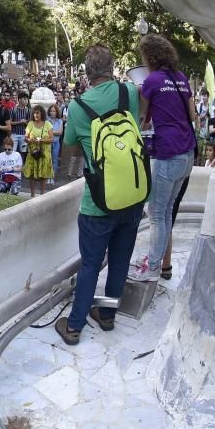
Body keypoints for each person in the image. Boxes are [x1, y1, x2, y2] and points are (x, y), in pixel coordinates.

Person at [56, 44, 143, 346]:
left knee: (91, 262)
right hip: (132, 193)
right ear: (112, 67)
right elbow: (137, 125)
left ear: (87, 73)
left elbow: (71, 148)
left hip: (98, 201)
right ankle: (106, 316)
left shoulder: (78, 106)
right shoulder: (128, 92)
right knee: (120, 259)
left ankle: (74, 326)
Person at [130, 34, 196, 282]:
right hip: (187, 154)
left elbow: (141, 113)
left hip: (168, 153)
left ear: (150, 57)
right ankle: (155, 261)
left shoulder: (152, 80)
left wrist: (140, 91)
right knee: (166, 211)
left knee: (156, 213)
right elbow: (191, 114)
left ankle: (153, 267)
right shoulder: (181, 79)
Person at [22, 106, 54, 198]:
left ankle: (42, 194)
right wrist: (30, 140)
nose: (36, 115)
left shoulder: (47, 124)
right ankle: (32, 194)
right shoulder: (30, 124)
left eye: (38, 113)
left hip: (44, 153)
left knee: (44, 173)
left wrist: (41, 141)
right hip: (33, 152)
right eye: (34, 113)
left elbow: (52, 139)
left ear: (42, 114)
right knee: (31, 173)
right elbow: (25, 138)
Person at [47, 104, 64, 184]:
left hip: (56, 143)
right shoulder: (47, 120)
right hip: (47, 143)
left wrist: (51, 131)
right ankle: (47, 176)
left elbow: (60, 132)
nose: (52, 112)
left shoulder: (60, 121)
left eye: (54, 111)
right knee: (48, 160)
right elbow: (45, 132)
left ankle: (52, 177)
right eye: (51, 111)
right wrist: (54, 132)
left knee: (54, 160)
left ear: (57, 112)